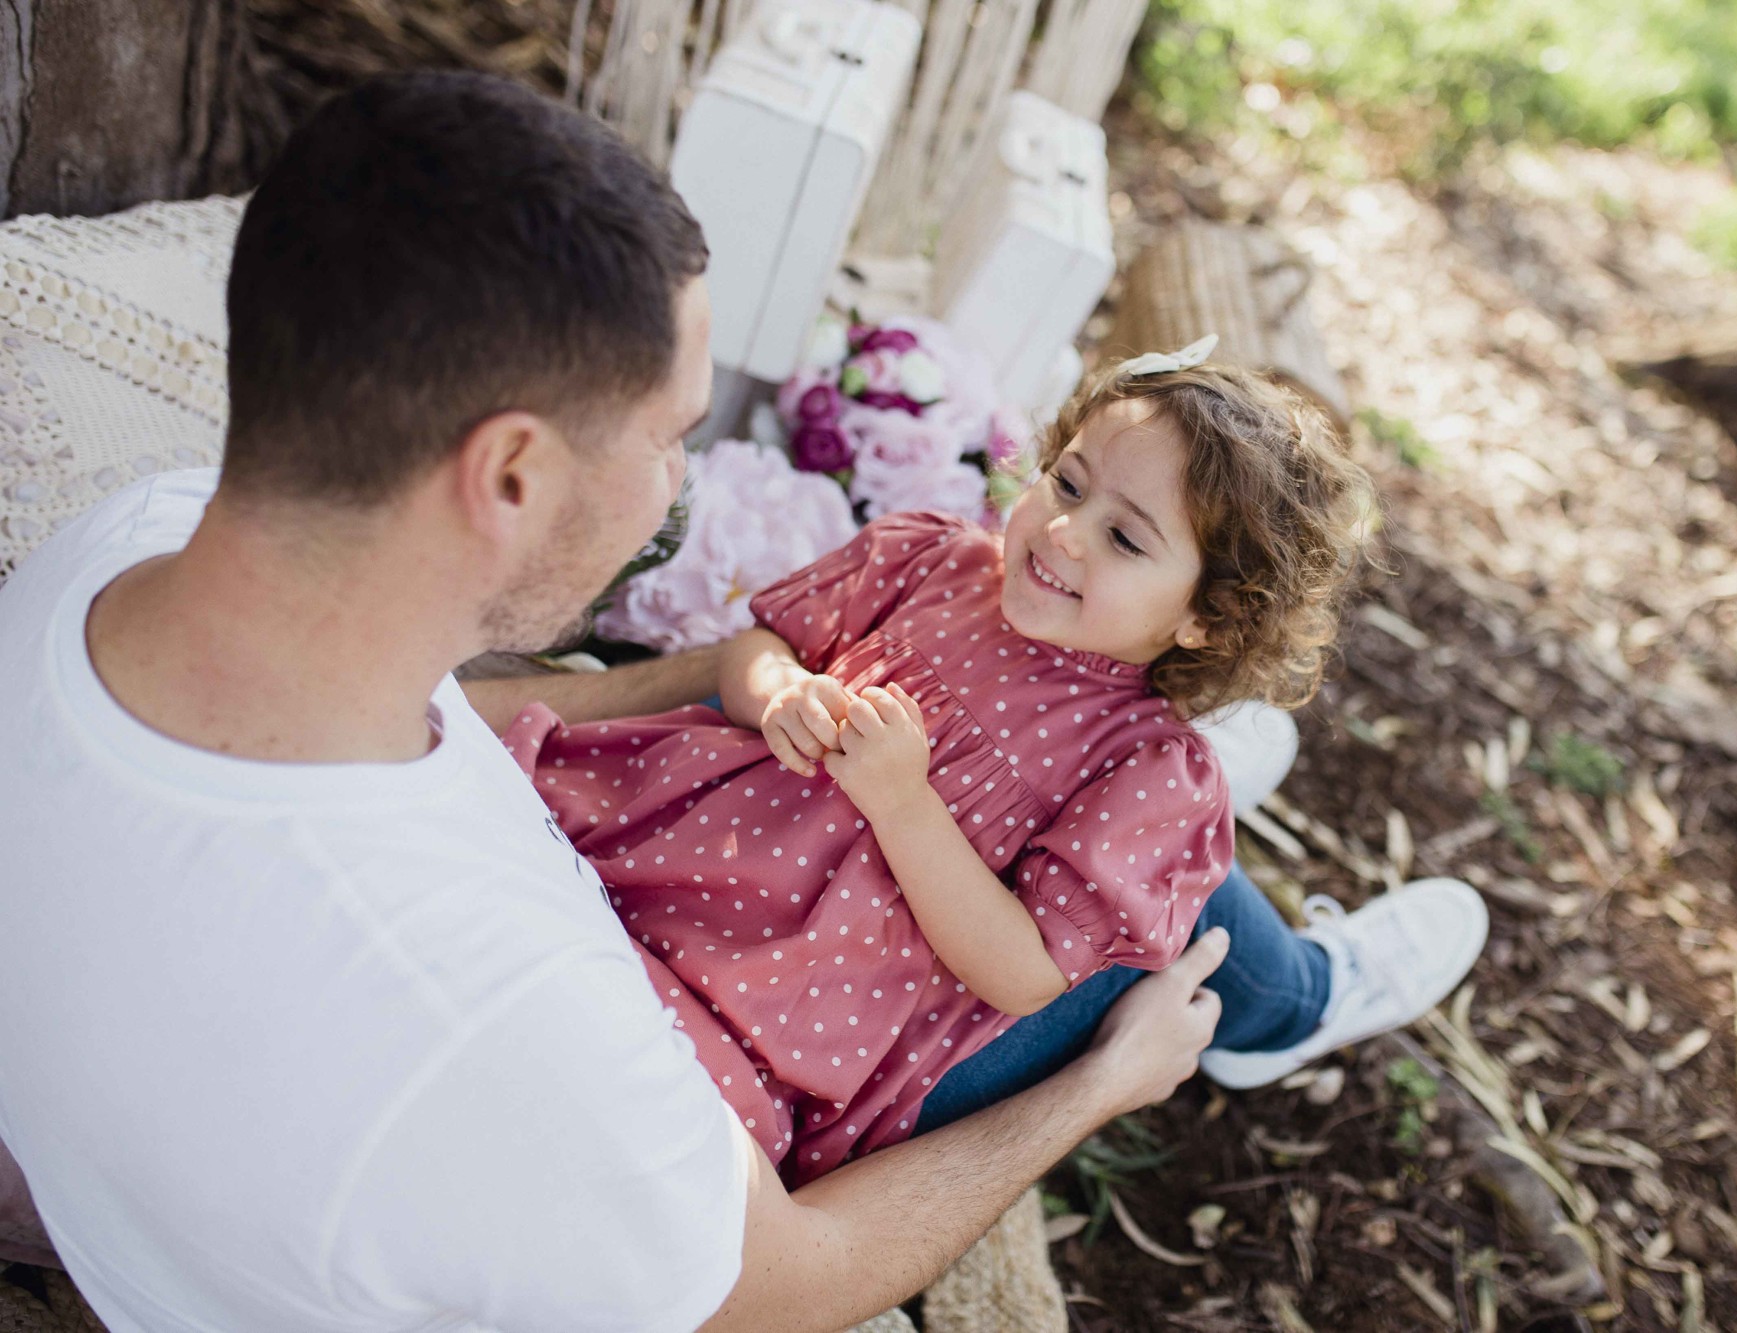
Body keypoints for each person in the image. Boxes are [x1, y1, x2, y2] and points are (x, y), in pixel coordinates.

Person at [0, 72, 1230, 1333]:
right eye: (666, 439)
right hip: (751, 1010)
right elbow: (793, 1281)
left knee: (1146, 796)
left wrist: (717, 687)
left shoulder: (121, 548)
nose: (677, 489)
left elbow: (467, 710)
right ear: (514, 473)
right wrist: (1095, 1091)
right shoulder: (524, 1033)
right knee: (1177, 894)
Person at [502, 350, 1488, 1183]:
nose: (1060, 529)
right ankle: (1170, 862)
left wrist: (901, 801)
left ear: (1205, 615)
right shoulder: (934, 564)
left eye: (1122, 535)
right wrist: (777, 692)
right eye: (1066, 482)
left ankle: (1293, 999)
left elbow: (1022, 972)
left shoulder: (1146, 773)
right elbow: (758, 643)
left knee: (1161, 859)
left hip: (816, 982)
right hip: (687, 849)